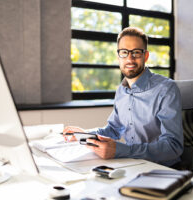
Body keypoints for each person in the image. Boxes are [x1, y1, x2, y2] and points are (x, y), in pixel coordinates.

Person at [63, 27, 183, 167]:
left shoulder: (166, 89)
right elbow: (114, 129)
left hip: (160, 168)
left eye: (136, 53)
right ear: (118, 56)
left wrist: (124, 150)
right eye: (124, 52)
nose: (130, 58)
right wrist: (84, 134)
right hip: (131, 164)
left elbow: (173, 146)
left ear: (145, 56)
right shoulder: (121, 90)